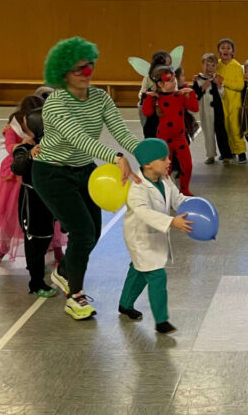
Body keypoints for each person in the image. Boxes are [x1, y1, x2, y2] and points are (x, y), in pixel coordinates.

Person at [32, 37, 141, 321]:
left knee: (92, 232)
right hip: (52, 172)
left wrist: (147, 152)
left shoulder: (100, 98)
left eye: (89, 66)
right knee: (82, 231)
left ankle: (64, 271)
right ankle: (75, 296)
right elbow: (79, 139)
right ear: (63, 73)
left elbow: (121, 131)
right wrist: (116, 157)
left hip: (84, 170)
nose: (86, 73)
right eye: (78, 69)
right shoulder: (55, 103)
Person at [118, 138, 193, 335]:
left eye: (168, 157)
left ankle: (125, 304)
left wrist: (194, 206)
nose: (169, 161)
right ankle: (161, 321)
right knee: (156, 275)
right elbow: (143, 212)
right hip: (140, 237)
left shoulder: (165, 179)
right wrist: (172, 221)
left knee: (138, 270)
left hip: (154, 235)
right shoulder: (137, 188)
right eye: (163, 159)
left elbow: (177, 199)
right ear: (147, 164)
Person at [0, 94, 44, 267]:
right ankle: (3, 247)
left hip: (39, 174)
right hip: (14, 178)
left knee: (46, 216)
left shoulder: (46, 123)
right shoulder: (14, 127)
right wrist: (23, 145)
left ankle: (55, 250)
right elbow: (9, 145)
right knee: (9, 216)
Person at [9, 108, 60, 297]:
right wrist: (30, 154)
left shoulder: (55, 147)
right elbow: (17, 167)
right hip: (32, 204)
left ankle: (36, 266)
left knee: (46, 237)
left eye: (27, 128)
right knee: (34, 242)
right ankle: (36, 283)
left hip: (50, 202)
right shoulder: (24, 149)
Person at [143, 65, 199, 196]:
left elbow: (194, 108)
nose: (174, 82)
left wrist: (190, 93)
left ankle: (184, 189)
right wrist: (148, 98)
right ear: (160, 84)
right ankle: (167, 192)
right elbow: (147, 112)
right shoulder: (157, 98)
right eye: (170, 81)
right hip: (164, 139)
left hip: (180, 138)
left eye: (174, 79)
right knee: (165, 169)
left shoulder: (179, 96)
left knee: (187, 166)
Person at [192, 53, 232, 164]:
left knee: (221, 132)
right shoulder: (198, 79)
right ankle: (210, 155)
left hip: (217, 111)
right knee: (208, 133)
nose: (210, 68)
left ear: (216, 67)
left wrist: (219, 86)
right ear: (202, 65)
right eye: (207, 65)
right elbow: (195, 96)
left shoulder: (217, 78)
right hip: (205, 111)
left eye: (213, 65)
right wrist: (202, 88)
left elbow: (222, 94)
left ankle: (226, 155)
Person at [215, 38, 247, 163]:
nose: (225, 50)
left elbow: (240, 86)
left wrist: (224, 82)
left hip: (234, 102)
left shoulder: (237, 66)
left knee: (235, 128)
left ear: (232, 52)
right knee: (225, 128)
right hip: (221, 102)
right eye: (223, 48)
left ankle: (241, 152)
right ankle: (230, 151)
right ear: (219, 51)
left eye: (228, 48)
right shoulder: (217, 65)